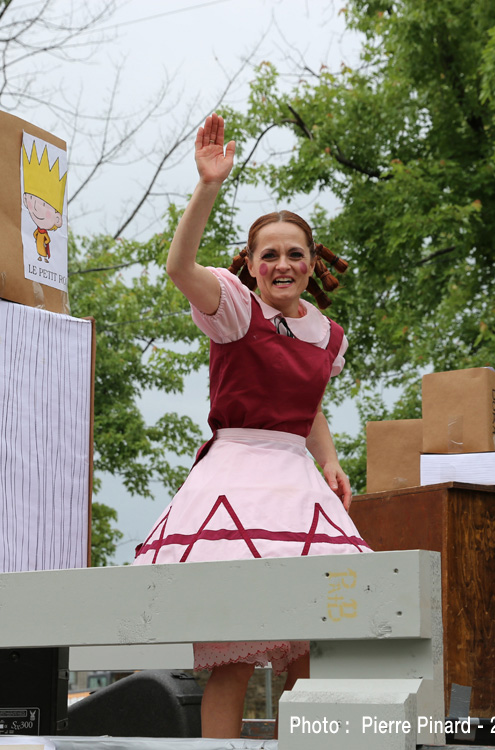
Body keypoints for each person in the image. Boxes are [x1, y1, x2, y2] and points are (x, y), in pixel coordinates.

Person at [131, 113, 371, 739]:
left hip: (297, 482)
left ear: (314, 263)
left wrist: (330, 459)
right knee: (234, 654)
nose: (283, 264)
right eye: (271, 255)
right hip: (237, 477)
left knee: (307, 648)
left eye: (296, 254)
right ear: (252, 264)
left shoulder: (326, 334)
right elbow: (180, 267)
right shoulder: (236, 310)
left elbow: (308, 403)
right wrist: (208, 185)